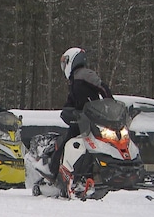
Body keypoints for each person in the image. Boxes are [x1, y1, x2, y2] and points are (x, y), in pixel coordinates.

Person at [48, 47, 112, 178]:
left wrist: (110, 104)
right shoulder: (74, 80)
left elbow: (102, 87)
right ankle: (58, 172)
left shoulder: (84, 74)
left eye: (65, 62)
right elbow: (72, 100)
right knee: (67, 142)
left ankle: (55, 172)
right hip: (82, 120)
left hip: (90, 120)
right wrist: (67, 111)